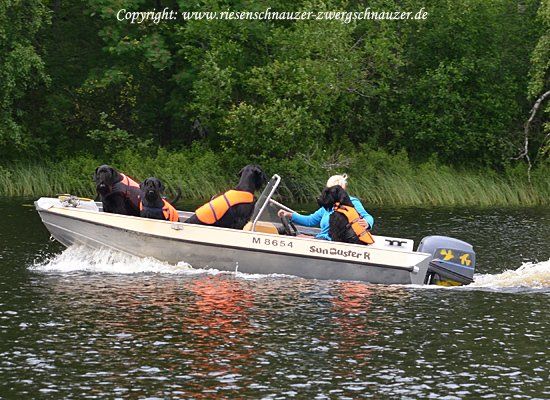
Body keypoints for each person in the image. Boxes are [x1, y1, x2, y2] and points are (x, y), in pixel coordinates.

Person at [278, 174, 374, 240]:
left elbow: (368, 217)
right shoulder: (328, 205)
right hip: (322, 239)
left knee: (299, 237)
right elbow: (310, 220)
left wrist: (367, 222)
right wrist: (289, 215)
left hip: (333, 242)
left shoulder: (352, 203)